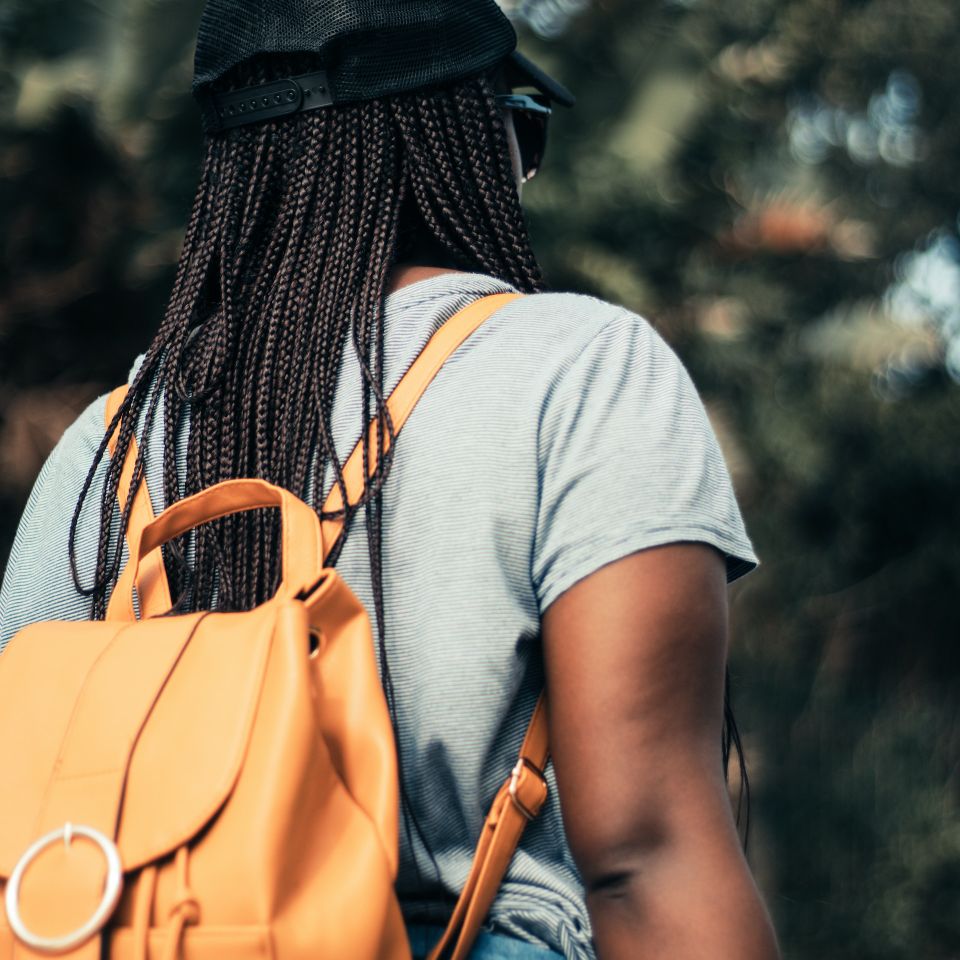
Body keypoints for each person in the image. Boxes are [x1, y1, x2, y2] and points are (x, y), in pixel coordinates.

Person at [0, 1, 781, 957]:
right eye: (518, 129)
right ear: (463, 142)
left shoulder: (107, 448)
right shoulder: (580, 369)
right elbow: (645, 851)